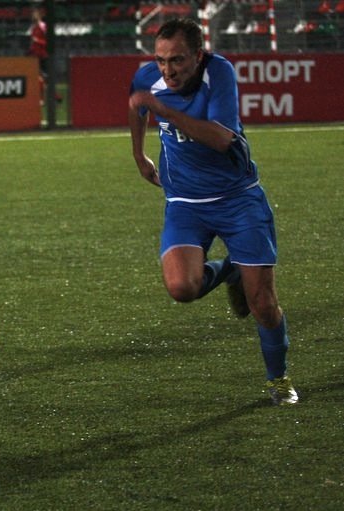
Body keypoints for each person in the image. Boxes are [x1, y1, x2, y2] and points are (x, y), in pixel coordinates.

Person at [127, 18, 297, 405]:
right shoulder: (148, 78)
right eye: (161, 60)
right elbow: (137, 106)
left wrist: (161, 109)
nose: (168, 70)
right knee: (181, 288)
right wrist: (138, 154)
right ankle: (230, 270)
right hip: (185, 203)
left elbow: (221, 138)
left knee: (263, 304)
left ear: (198, 56)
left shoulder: (219, 72)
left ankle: (278, 378)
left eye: (177, 60)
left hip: (238, 199)